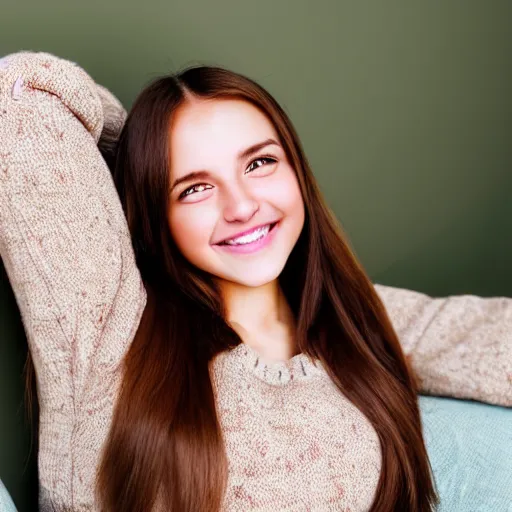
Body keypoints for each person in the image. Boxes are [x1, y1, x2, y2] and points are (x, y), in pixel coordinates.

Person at [0, 51, 510, 512]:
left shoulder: (349, 318)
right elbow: (16, 98)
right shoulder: (108, 328)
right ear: (157, 209)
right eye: (195, 187)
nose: (242, 206)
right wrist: (134, 151)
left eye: (260, 162)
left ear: (297, 172)